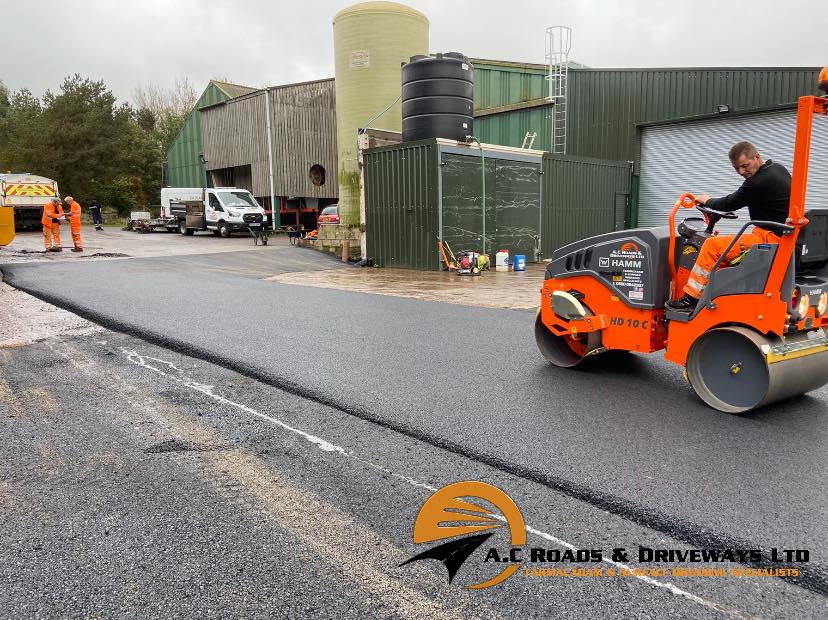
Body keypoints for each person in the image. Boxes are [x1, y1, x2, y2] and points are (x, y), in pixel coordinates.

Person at [665, 141, 791, 311]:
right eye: (736, 168)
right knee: (724, 249)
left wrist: (706, 201)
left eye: (745, 166)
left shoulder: (757, 182)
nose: (741, 172)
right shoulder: (778, 169)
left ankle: (690, 299)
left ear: (757, 157)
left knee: (711, 246)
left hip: (767, 238)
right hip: (778, 236)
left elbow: (729, 203)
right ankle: (715, 293)